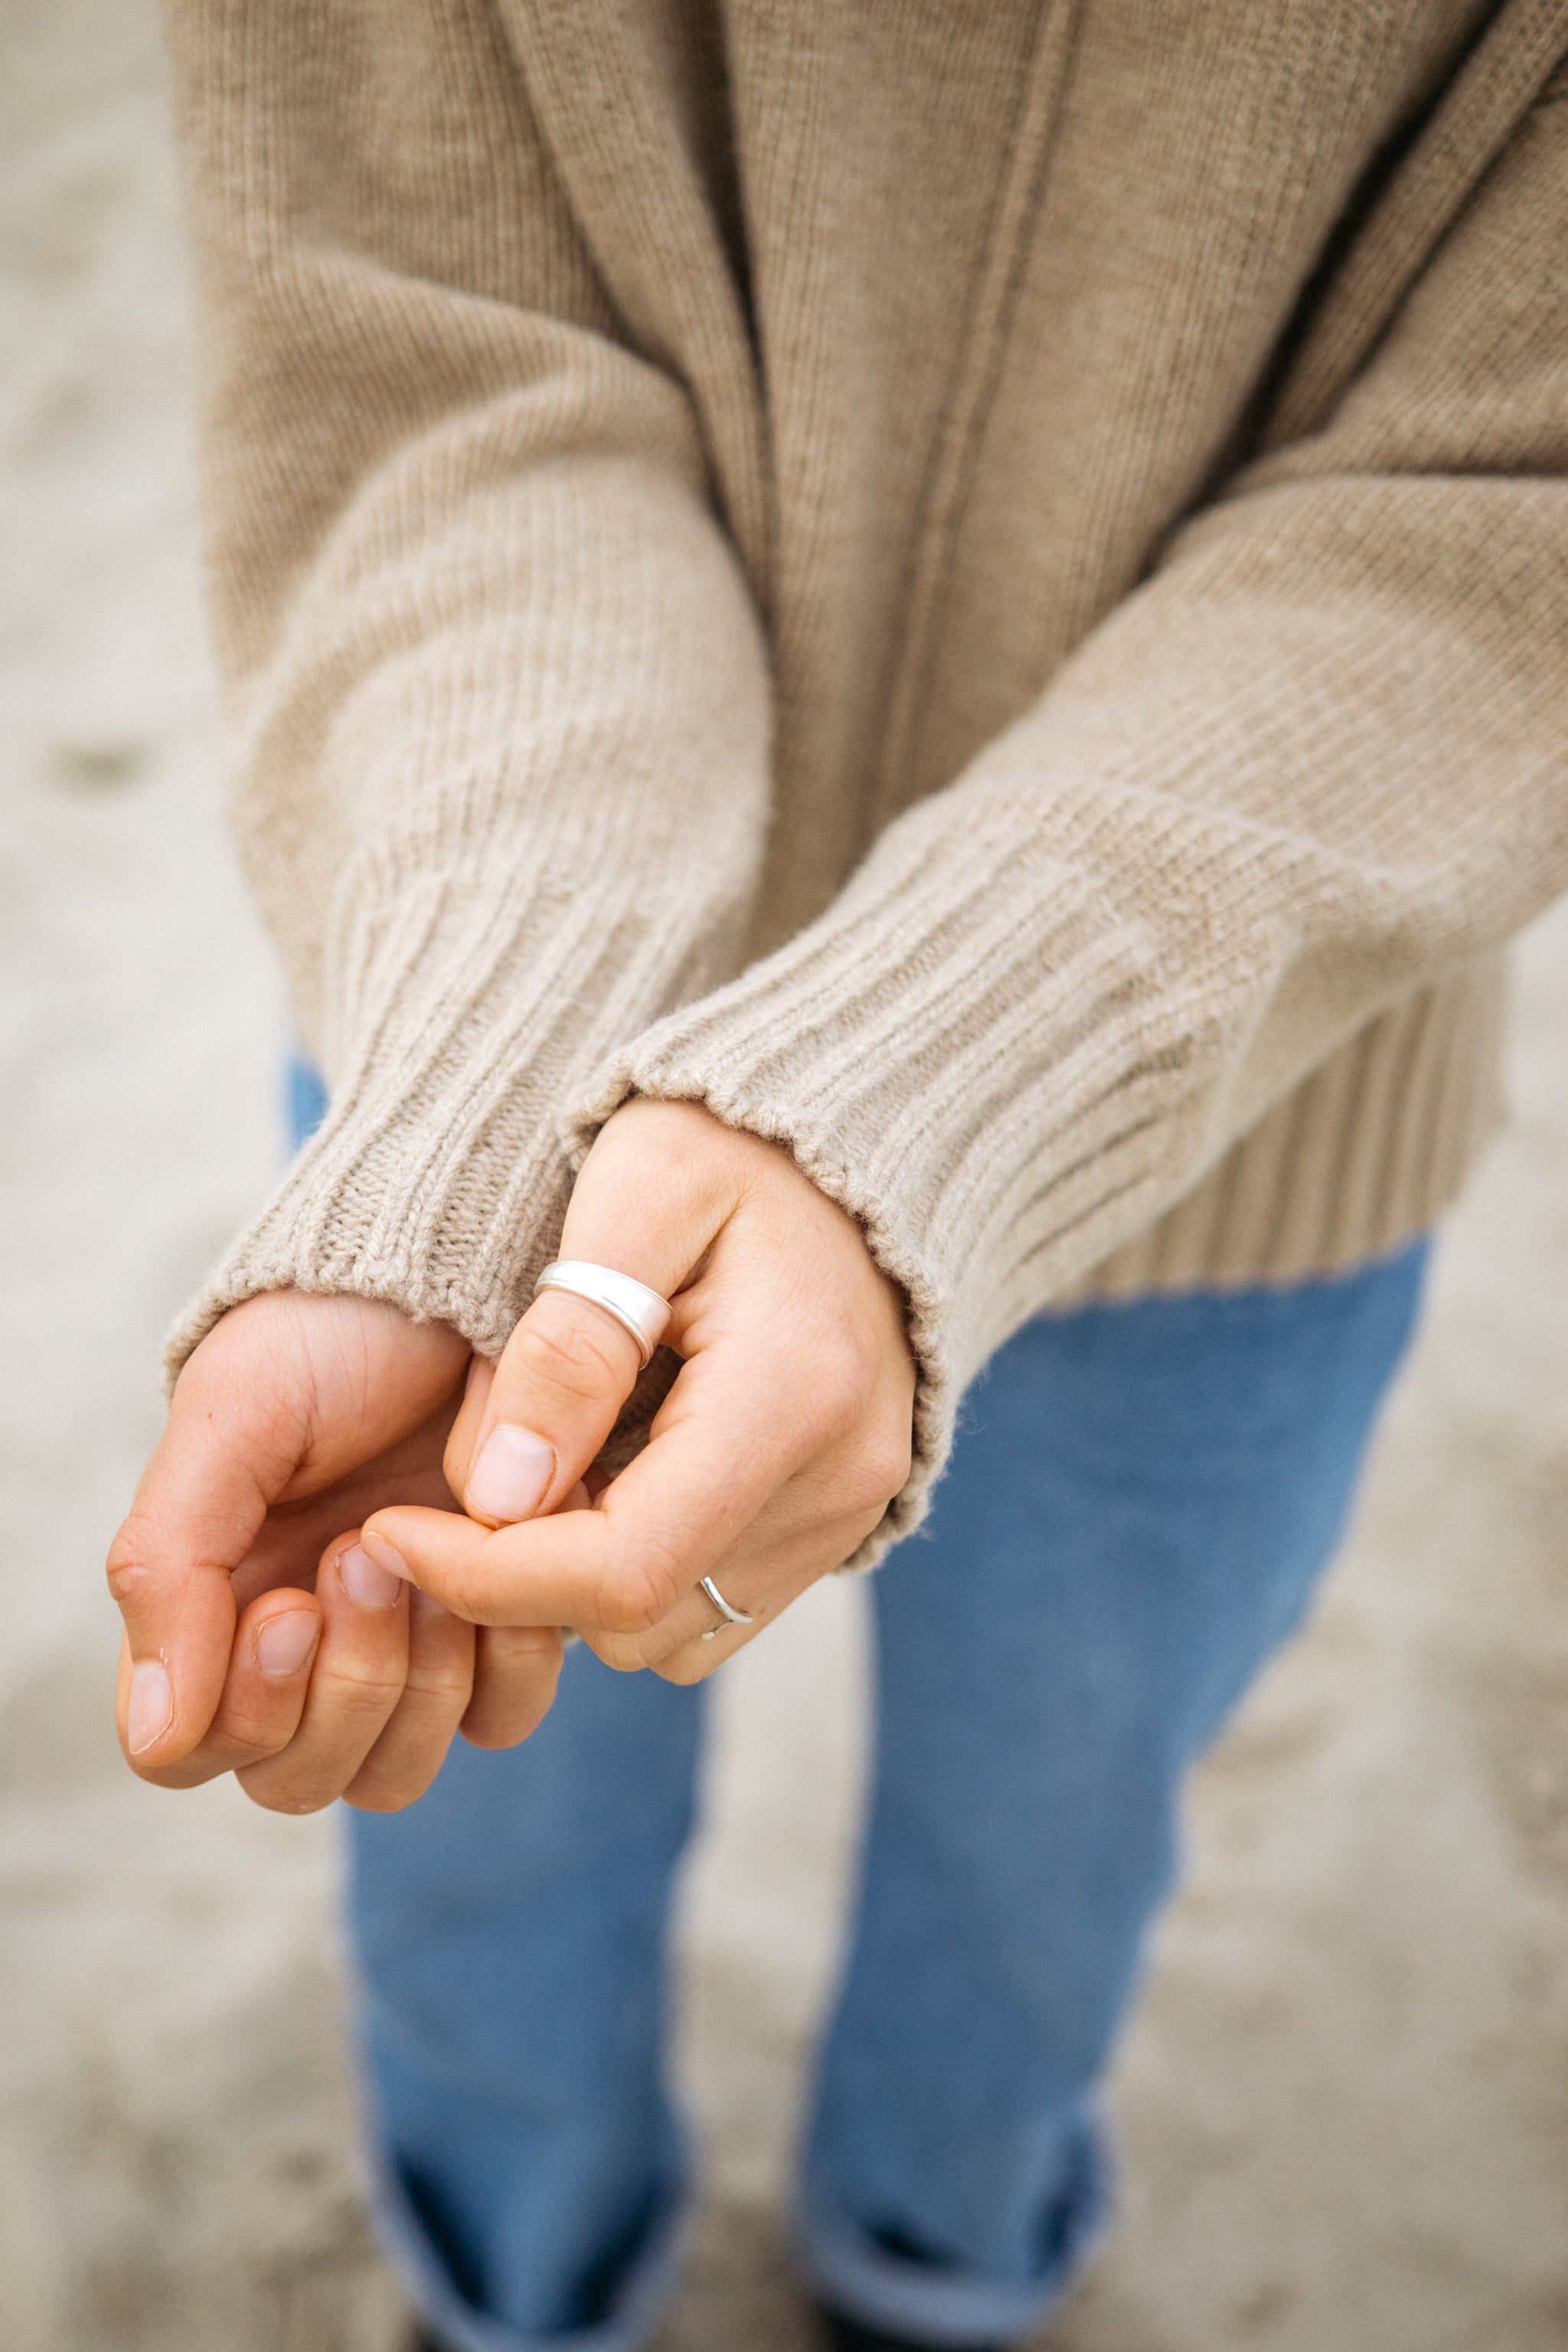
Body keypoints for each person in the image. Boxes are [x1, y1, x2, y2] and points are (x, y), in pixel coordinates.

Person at [106, 5, 1568, 2348]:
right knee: (460, 1806)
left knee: (1048, 1856)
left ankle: (937, 2286)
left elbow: (1514, 487)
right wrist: (492, 1100)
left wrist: (955, 1060)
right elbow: (436, 358)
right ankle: (522, 2292)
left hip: (1227, 1116)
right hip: (487, 1064)